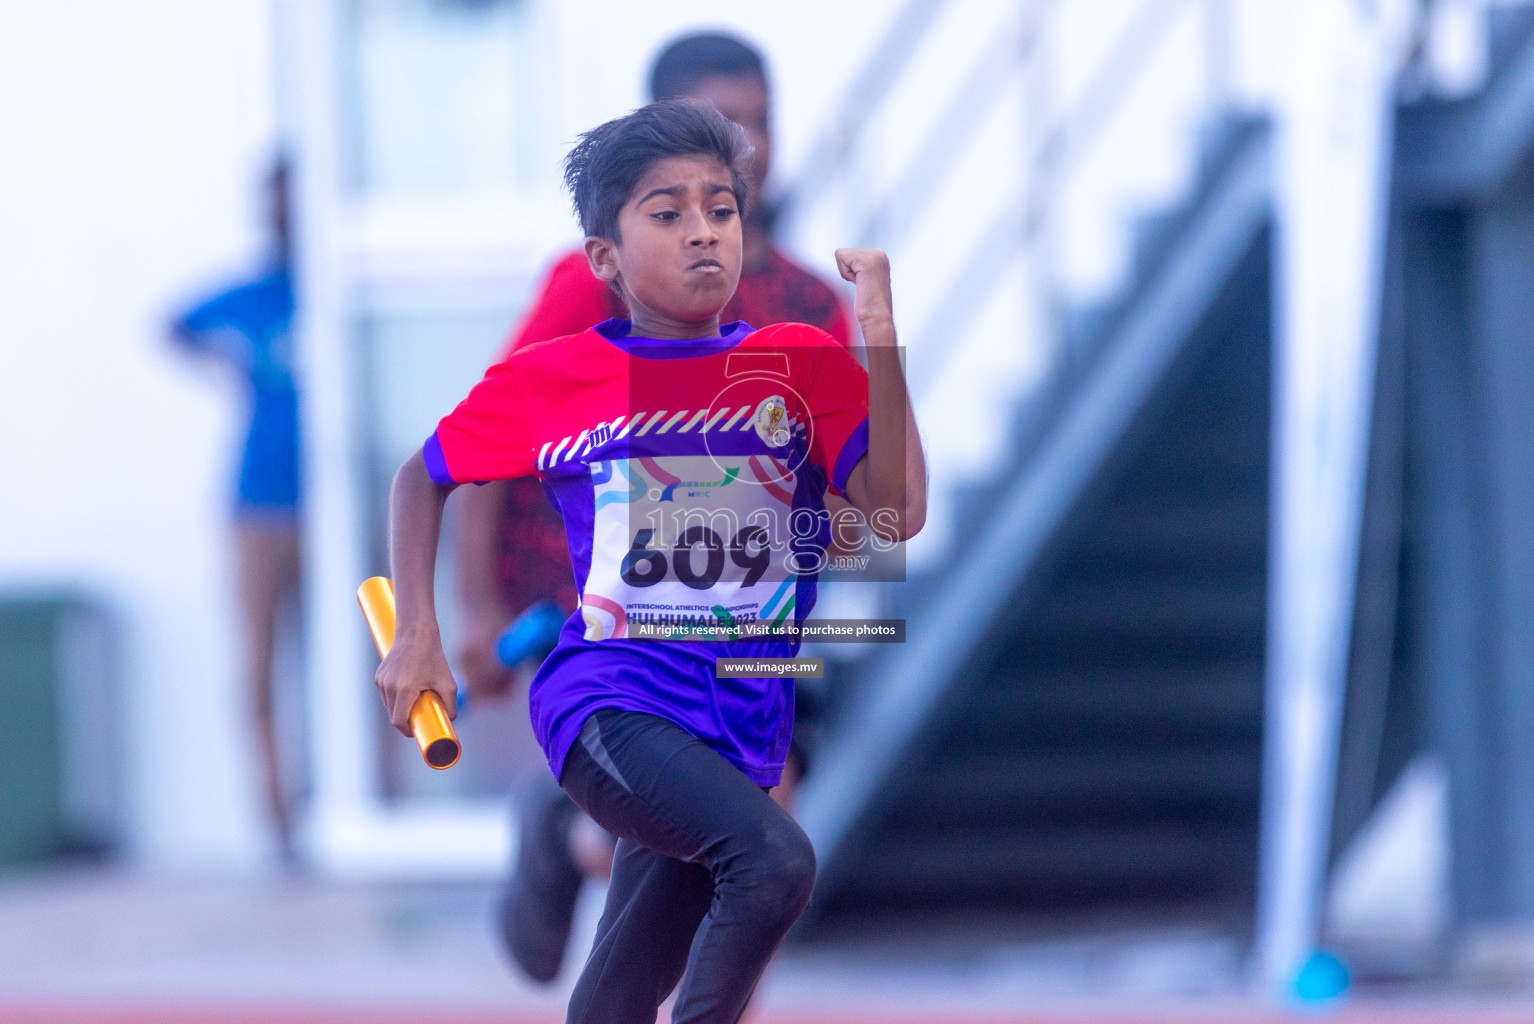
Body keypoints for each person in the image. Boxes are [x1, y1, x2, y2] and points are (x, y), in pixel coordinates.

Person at [377, 100, 925, 1023]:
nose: (703, 232)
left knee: (623, 991)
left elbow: (895, 512)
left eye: (721, 209)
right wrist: (420, 636)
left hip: (744, 712)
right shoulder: (557, 379)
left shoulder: (797, 362)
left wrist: (877, 335)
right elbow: (420, 477)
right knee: (772, 860)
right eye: (667, 214)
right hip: (610, 701)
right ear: (606, 258)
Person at [451, 31, 856, 984]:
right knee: (721, 843)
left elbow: (843, 491)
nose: (749, 148)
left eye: (760, 125)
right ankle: (562, 828)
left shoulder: (807, 304)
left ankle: (562, 830)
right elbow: (484, 443)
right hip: (584, 602)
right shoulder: (592, 281)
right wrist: (474, 609)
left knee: (752, 844)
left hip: (738, 628)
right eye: (727, 126)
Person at [170, 159, 303, 863]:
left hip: (336, 505)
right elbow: (175, 324)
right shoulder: (254, 295)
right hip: (260, 506)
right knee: (258, 662)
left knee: (366, 656)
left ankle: (346, 797)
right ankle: (278, 817)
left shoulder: (335, 289)